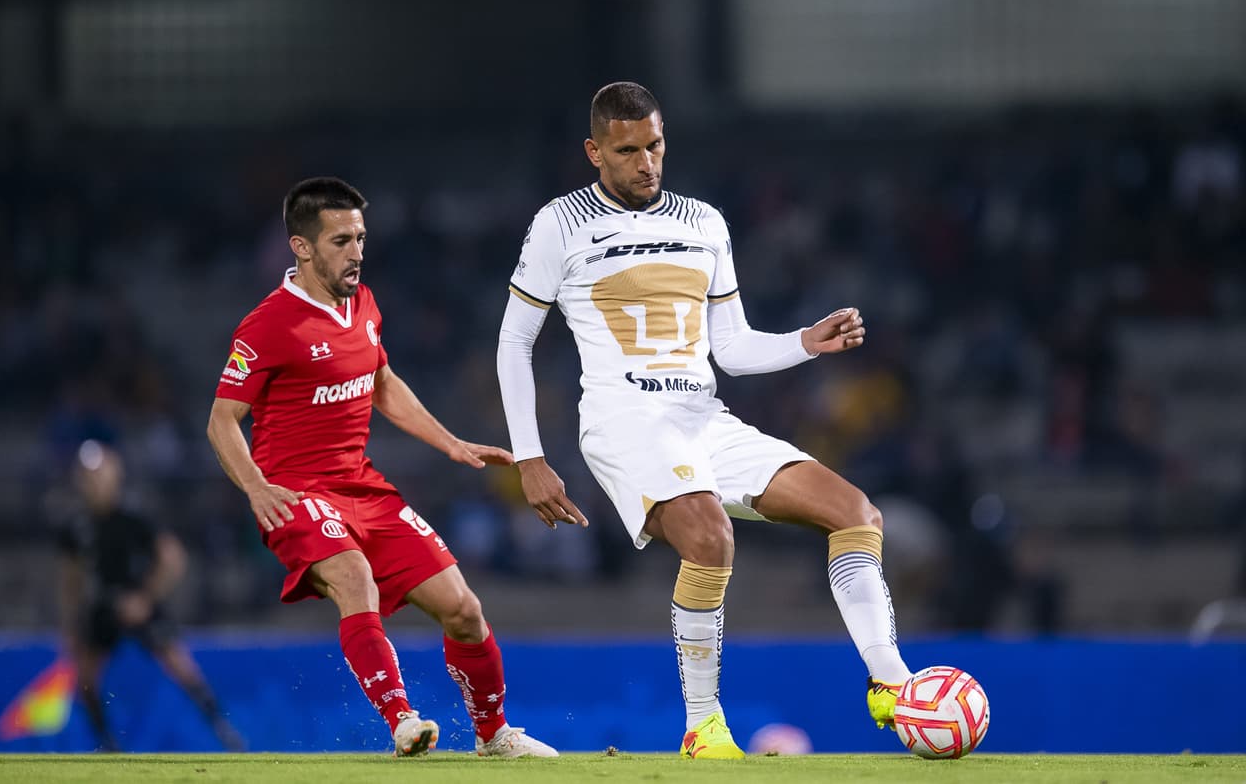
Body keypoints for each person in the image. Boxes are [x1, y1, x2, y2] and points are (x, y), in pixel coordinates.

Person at [496, 82, 914, 758]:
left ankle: (891, 684)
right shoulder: (561, 223)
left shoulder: (703, 222)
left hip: (702, 417)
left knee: (857, 513)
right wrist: (528, 455)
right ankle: (703, 725)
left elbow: (733, 347)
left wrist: (804, 341)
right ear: (594, 151)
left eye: (654, 146)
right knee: (710, 538)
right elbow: (515, 339)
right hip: (622, 420)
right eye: (626, 150)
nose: (644, 163)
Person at [206, 177, 555, 758]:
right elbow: (222, 420)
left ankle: (494, 737)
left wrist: (449, 442)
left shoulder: (364, 304)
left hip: (363, 488)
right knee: (354, 579)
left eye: (361, 238)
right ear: (302, 246)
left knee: (464, 611)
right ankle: (402, 721)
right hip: (295, 494)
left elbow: (382, 382)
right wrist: (255, 487)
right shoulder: (269, 324)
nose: (357, 252)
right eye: (341, 240)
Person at [56, 439, 244, 752]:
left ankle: (225, 731)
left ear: (115, 473)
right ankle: (107, 744)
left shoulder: (134, 515)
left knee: (181, 667)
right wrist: (70, 625)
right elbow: (70, 580)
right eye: (88, 476)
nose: (94, 482)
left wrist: (144, 597)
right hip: (103, 606)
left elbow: (172, 558)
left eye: (100, 474)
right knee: (85, 679)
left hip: (138, 602)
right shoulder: (76, 525)